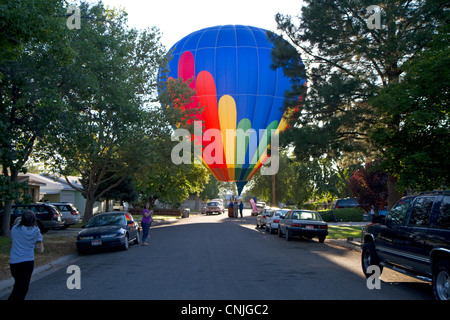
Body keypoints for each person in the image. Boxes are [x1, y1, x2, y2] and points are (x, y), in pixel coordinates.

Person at [9, 210, 43, 300]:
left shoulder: (15, 229)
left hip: (14, 262)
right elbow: (39, 244)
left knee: (18, 285)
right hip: (27, 262)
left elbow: (16, 223)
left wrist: (20, 219)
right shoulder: (36, 231)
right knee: (22, 288)